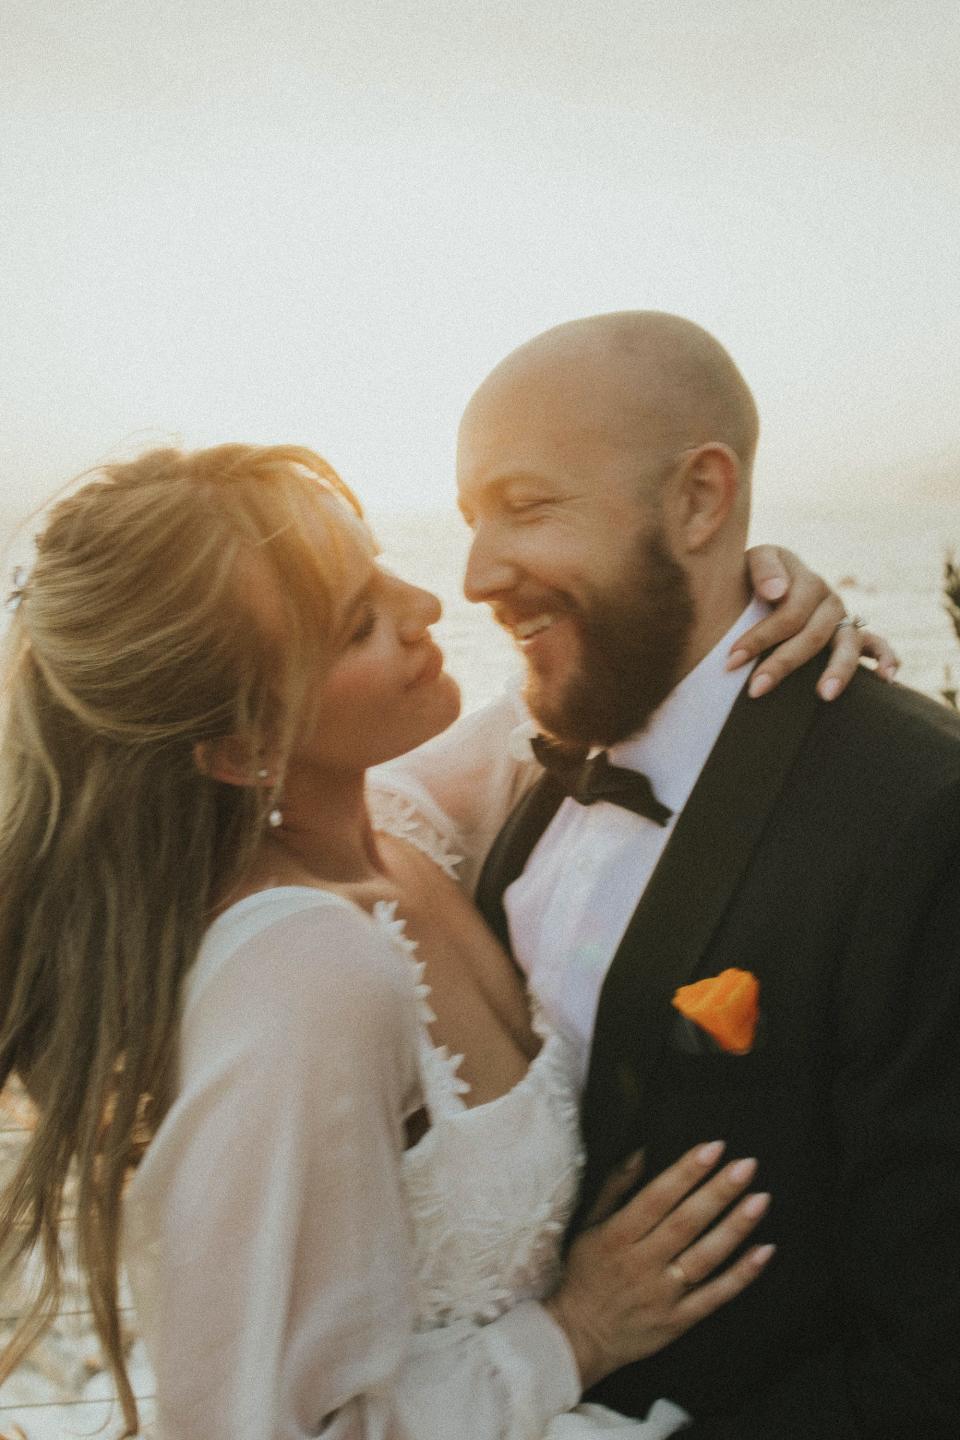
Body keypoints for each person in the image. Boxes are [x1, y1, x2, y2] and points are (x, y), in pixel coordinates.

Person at [0, 444, 887, 1439]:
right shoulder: (302, 976)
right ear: (247, 749)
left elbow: (580, 701)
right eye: (357, 625)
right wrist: (573, 1332)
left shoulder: (395, 827)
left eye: (377, 562)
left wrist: (756, 603)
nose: (425, 603)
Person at [382, 311, 960, 1438]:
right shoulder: (530, 762)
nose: (475, 575)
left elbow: (932, 1368)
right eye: (468, 520)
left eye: (527, 505)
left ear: (701, 500)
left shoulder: (919, 825)